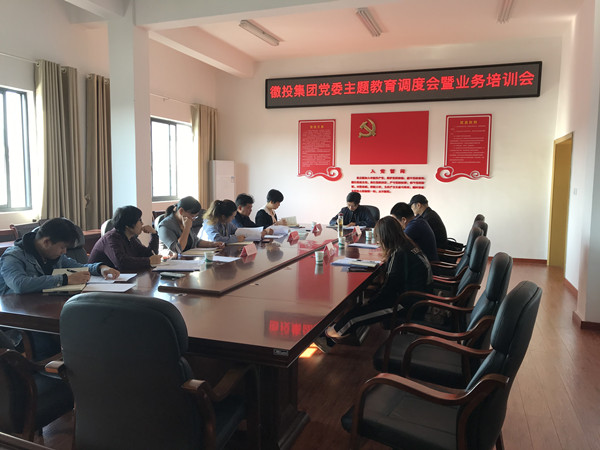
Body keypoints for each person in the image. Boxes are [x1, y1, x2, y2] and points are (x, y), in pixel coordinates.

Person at [0, 217, 120, 359]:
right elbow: (19, 284)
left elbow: (79, 267)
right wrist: (64, 279)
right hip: (22, 318)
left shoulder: (53, 255)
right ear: (46, 242)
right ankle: (45, 367)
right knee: (51, 343)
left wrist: (100, 268)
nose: (64, 252)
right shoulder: (13, 256)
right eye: (62, 247)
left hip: (46, 307)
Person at [325, 216, 432, 340]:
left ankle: (330, 338)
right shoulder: (407, 245)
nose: (378, 242)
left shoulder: (399, 253)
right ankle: (334, 333)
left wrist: (371, 303)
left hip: (409, 305)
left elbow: (389, 289)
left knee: (352, 318)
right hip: (419, 298)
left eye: (379, 238)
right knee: (360, 309)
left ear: (385, 237)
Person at [89, 206, 163, 271]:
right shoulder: (111, 238)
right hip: (99, 280)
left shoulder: (129, 238)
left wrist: (154, 234)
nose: (142, 223)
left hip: (118, 277)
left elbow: (150, 254)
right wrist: (148, 261)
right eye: (139, 220)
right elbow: (121, 263)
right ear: (128, 225)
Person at [158, 196, 223, 253]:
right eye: (192, 216)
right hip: (170, 260)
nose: (193, 219)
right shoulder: (165, 226)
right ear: (181, 211)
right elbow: (178, 249)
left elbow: (196, 241)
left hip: (187, 259)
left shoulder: (185, 221)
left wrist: (212, 244)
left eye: (195, 217)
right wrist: (186, 228)